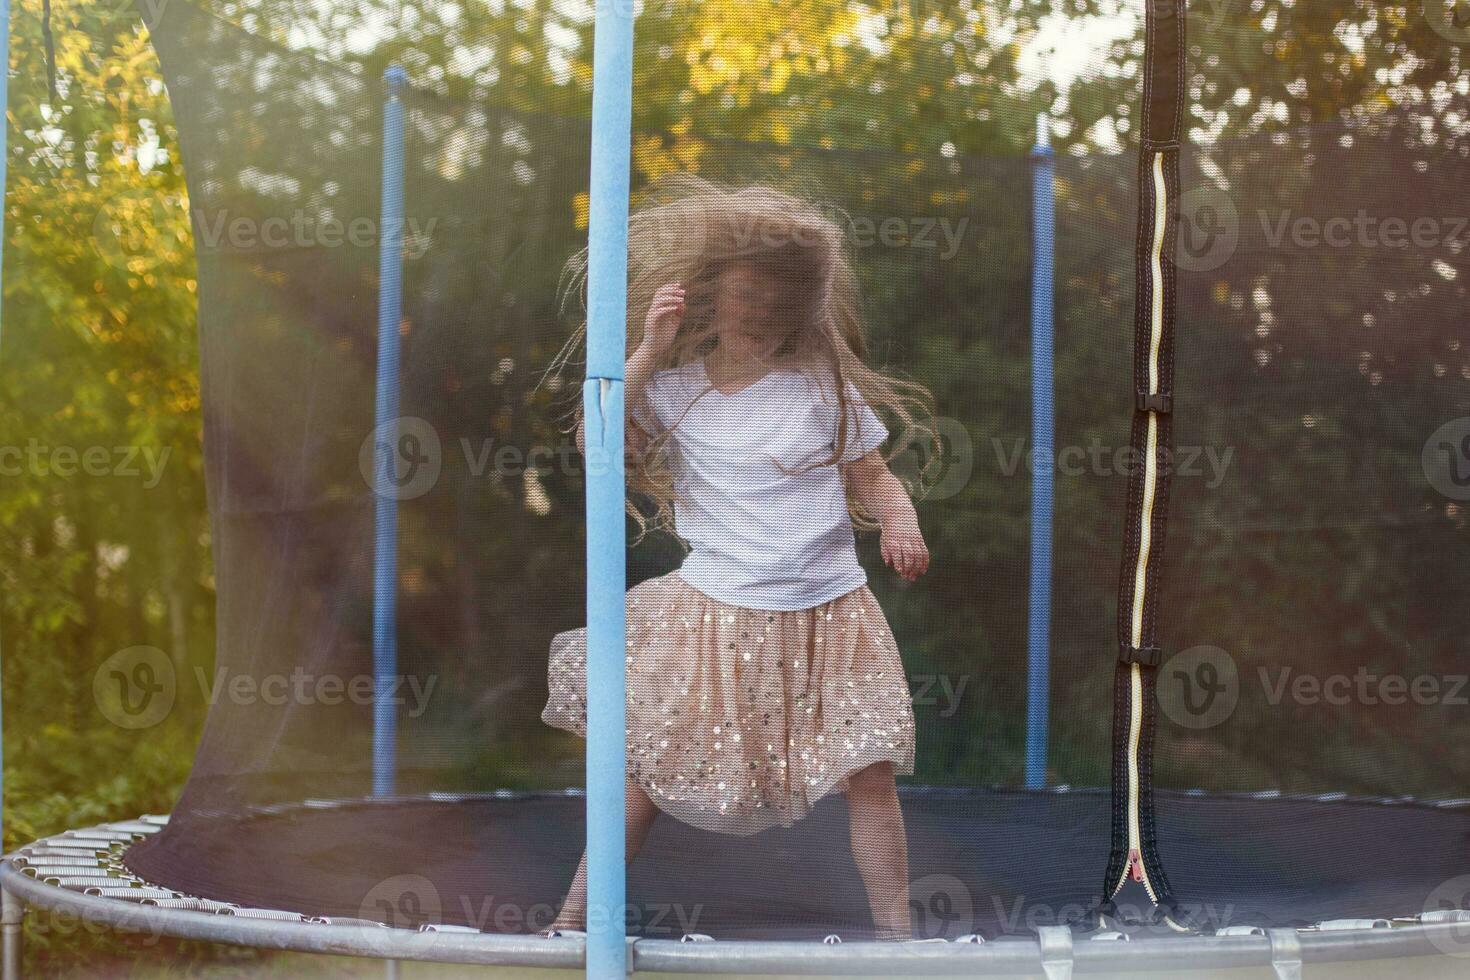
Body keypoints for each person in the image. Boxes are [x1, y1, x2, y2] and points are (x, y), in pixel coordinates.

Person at [542, 179, 936, 941]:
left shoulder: (823, 389)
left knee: (870, 773)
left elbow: (876, 477)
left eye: (773, 303)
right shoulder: (676, 387)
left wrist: (901, 525)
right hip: (714, 611)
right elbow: (598, 450)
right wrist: (650, 350)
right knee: (640, 775)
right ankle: (571, 926)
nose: (757, 315)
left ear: (796, 312)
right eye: (744, 297)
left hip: (829, 610)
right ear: (711, 299)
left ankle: (899, 940)